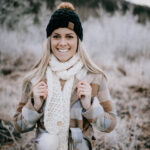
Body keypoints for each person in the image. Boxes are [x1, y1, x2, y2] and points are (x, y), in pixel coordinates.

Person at [13, 2, 117, 150]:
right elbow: (18, 126)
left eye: (69, 36)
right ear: (49, 40)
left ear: (78, 40)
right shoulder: (34, 78)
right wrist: (34, 105)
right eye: (56, 36)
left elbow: (110, 125)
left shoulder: (94, 78)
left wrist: (90, 106)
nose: (62, 43)